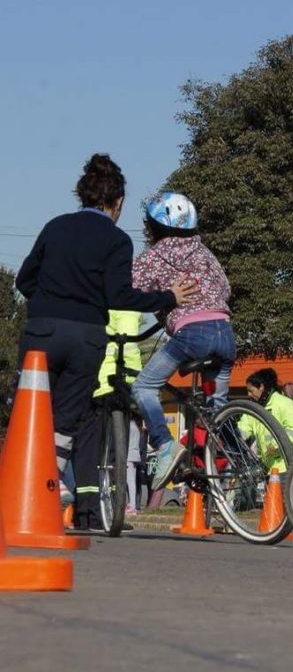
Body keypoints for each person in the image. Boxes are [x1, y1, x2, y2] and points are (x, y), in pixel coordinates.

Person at [15, 154, 196, 484]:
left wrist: (48, 303)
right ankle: (46, 489)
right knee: (66, 419)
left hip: (41, 331)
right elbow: (120, 298)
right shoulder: (117, 240)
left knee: (28, 410)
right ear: (119, 201)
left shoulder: (55, 226)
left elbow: (24, 280)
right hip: (85, 338)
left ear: (83, 195)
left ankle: (16, 486)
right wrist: (169, 297)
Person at [131, 190, 236, 490]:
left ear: (154, 227)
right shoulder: (205, 252)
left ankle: (165, 445)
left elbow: (127, 289)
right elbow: (225, 288)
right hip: (225, 332)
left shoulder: (154, 256)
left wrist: (162, 303)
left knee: (144, 387)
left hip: (192, 335)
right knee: (218, 408)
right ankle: (240, 455)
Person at [69, 309, 143, 531]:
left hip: (91, 380)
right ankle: (102, 514)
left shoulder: (96, 295)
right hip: (116, 383)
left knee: (88, 449)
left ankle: (86, 513)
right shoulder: (127, 303)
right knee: (110, 456)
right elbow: (129, 345)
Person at [242, 369, 293, 472]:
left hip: (289, 466)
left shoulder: (284, 403)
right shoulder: (254, 408)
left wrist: (275, 446)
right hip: (269, 468)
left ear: (261, 387)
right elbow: (243, 427)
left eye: (251, 391)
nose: (248, 395)